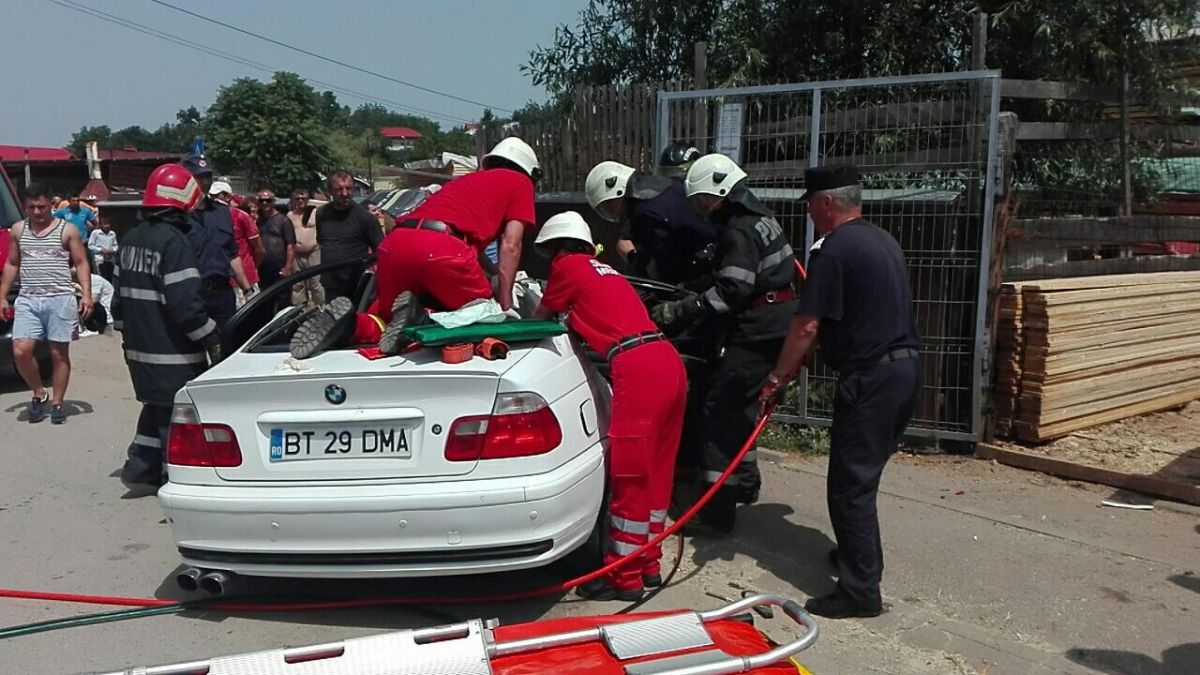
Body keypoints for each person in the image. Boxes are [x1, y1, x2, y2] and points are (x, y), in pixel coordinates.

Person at [758, 165, 921, 620]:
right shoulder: (882, 241)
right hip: (905, 371)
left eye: (811, 204)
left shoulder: (833, 251)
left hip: (871, 379)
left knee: (849, 488)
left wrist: (777, 379)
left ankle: (860, 591)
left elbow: (806, 326)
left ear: (827, 203)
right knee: (863, 479)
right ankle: (857, 557)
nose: (809, 213)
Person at [531, 212, 687, 602]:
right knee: (656, 470)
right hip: (666, 359)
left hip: (636, 366)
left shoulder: (568, 266)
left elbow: (540, 320)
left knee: (630, 474)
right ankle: (648, 563)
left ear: (555, 250)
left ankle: (623, 577)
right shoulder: (606, 271)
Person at [649, 154, 797, 533]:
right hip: (776, 321)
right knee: (740, 404)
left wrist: (681, 309)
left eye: (702, 200)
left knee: (719, 410)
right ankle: (744, 484)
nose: (700, 208)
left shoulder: (739, 230)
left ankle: (716, 514)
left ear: (719, 193)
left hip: (759, 326)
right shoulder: (760, 217)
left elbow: (731, 290)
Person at [289, 137, 539, 359]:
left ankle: (349, 325)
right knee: (483, 315)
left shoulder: (466, 182)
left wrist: (492, 272)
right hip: (442, 248)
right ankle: (421, 316)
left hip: (397, 243)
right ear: (529, 171)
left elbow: (470, 244)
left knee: (385, 318)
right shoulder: (521, 183)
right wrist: (504, 304)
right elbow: (510, 245)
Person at [113, 163, 221, 494]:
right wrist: (213, 337)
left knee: (156, 406)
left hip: (138, 352)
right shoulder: (174, 243)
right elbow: (185, 308)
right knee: (176, 417)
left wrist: (131, 339)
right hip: (172, 355)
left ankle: (141, 468)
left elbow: (118, 306)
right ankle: (172, 478)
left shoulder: (130, 239)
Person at [0, 182, 93, 424]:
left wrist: (86, 294)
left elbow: (81, 262)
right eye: (31, 207)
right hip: (29, 299)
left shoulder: (67, 230)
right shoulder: (18, 230)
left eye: (41, 207)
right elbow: (12, 263)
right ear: (25, 206)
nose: (37, 212)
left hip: (60, 299)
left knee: (58, 353)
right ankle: (39, 392)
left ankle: (58, 402)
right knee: (20, 350)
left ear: (51, 204)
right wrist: (2, 295)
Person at [587, 158, 717, 287]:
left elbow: (664, 264)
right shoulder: (666, 185)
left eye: (609, 205)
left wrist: (642, 264)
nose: (610, 210)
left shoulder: (644, 214)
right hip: (715, 252)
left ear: (619, 192)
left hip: (703, 271)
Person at [180, 155, 254, 330]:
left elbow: (232, 253)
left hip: (222, 294)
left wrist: (247, 290)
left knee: (228, 341)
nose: (205, 181)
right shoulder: (178, 215)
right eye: (199, 177)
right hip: (192, 295)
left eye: (208, 176)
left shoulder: (222, 212)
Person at [313, 173, 380, 302]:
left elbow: (380, 251)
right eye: (339, 189)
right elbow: (321, 240)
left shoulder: (365, 218)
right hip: (331, 285)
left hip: (356, 286)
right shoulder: (322, 213)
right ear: (329, 191)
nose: (345, 193)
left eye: (349, 188)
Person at [210, 186, 263, 306]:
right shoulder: (208, 217)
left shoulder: (241, 216)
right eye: (212, 196)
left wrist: (254, 267)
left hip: (245, 276)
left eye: (217, 195)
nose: (213, 199)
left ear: (228, 197)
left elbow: (259, 248)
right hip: (222, 279)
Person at [287, 188, 325, 309]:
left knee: (315, 283)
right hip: (296, 254)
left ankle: (321, 308)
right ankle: (299, 309)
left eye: (303, 198)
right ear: (293, 200)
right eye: (297, 198)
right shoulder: (290, 215)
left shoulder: (316, 213)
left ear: (307, 199)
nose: (300, 201)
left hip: (314, 252)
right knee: (297, 284)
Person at [255, 189, 295, 294]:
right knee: (265, 296)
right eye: (261, 200)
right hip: (263, 266)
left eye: (268, 200)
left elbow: (291, 245)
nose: (264, 203)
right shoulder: (259, 221)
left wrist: (288, 266)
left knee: (282, 296)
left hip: (279, 265)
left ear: (273, 201)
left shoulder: (284, 221)